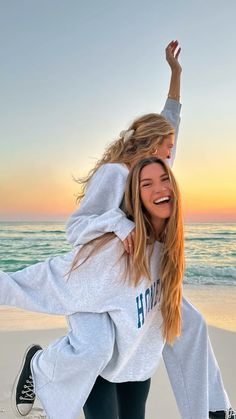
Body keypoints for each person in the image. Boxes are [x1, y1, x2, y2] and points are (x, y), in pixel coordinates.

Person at [64, 41, 234, 419]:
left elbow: (171, 114)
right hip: (107, 296)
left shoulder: (153, 173)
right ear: (151, 143)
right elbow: (76, 228)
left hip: (143, 287)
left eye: (172, 148)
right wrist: (118, 222)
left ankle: (214, 409)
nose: (173, 154)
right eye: (168, 145)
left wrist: (175, 72)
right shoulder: (116, 175)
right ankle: (46, 365)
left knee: (192, 326)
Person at [1, 157, 184, 419]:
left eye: (165, 179)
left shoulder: (171, 252)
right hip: (101, 369)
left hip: (138, 368)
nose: (159, 188)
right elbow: (54, 279)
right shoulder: (118, 252)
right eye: (146, 184)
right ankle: (39, 364)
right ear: (135, 196)